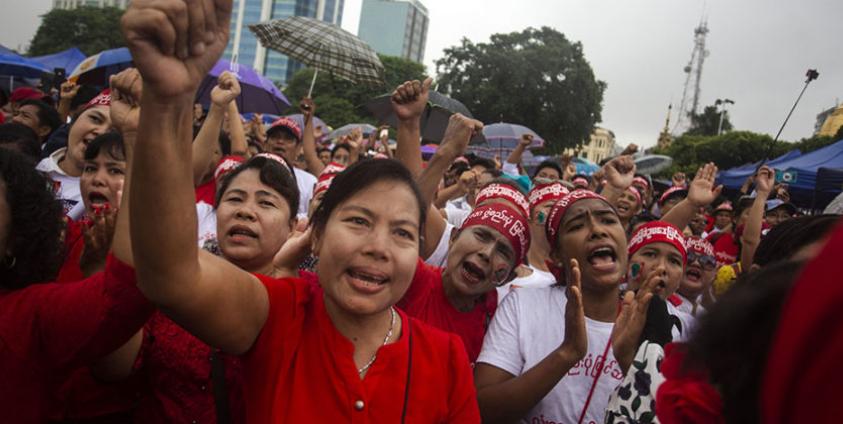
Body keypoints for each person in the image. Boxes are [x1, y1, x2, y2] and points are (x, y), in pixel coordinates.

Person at [121, 2, 479, 421]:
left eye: (402, 233)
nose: (379, 247)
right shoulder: (275, 313)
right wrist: (168, 103)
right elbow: (169, 274)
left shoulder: (447, 359)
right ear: (317, 233)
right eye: (359, 221)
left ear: (418, 252)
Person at [0, 69, 152, 422]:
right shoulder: (61, 233)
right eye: (90, 168)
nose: (99, 178)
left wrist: (100, 269)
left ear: (14, 241)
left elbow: (118, 313)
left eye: (115, 169)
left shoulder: (27, 313)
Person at [475, 189, 659, 424]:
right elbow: (482, 410)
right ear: (558, 255)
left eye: (608, 220)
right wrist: (567, 353)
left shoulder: (654, 321)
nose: (597, 230)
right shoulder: (523, 305)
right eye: (576, 226)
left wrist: (629, 363)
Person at [36, 89, 113, 221]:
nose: (101, 132)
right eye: (95, 119)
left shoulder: (115, 195)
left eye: (114, 131)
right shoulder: (33, 171)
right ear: (72, 123)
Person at [496, 181, 569, 304]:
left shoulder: (571, 270)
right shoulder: (509, 268)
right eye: (551, 206)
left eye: (565, 209)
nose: (558, 213)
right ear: (529, 215)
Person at [264, 114, 316, 218]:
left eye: (288, 139)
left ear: (298, 148)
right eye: (275, 137)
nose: (280, 142)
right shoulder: (251, 174)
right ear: (265, 144)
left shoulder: (309, 182)